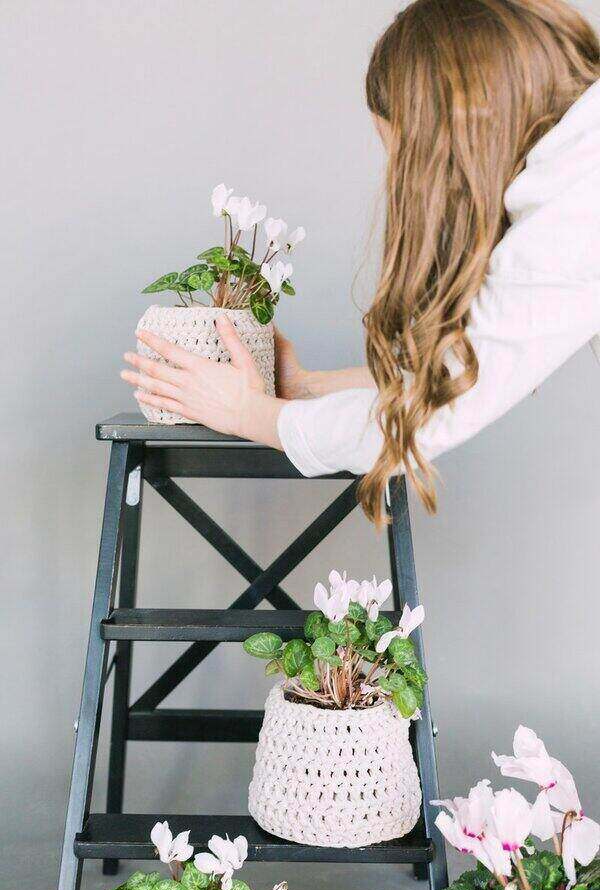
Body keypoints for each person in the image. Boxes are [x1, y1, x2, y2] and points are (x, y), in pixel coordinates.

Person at [121, 0, 600, 526]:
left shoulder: (582, 202)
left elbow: (425, 417)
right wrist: (305, 389)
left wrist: (248, 414)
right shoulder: (574, 173)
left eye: (402, 154)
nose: (400, 178)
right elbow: (456, 371)